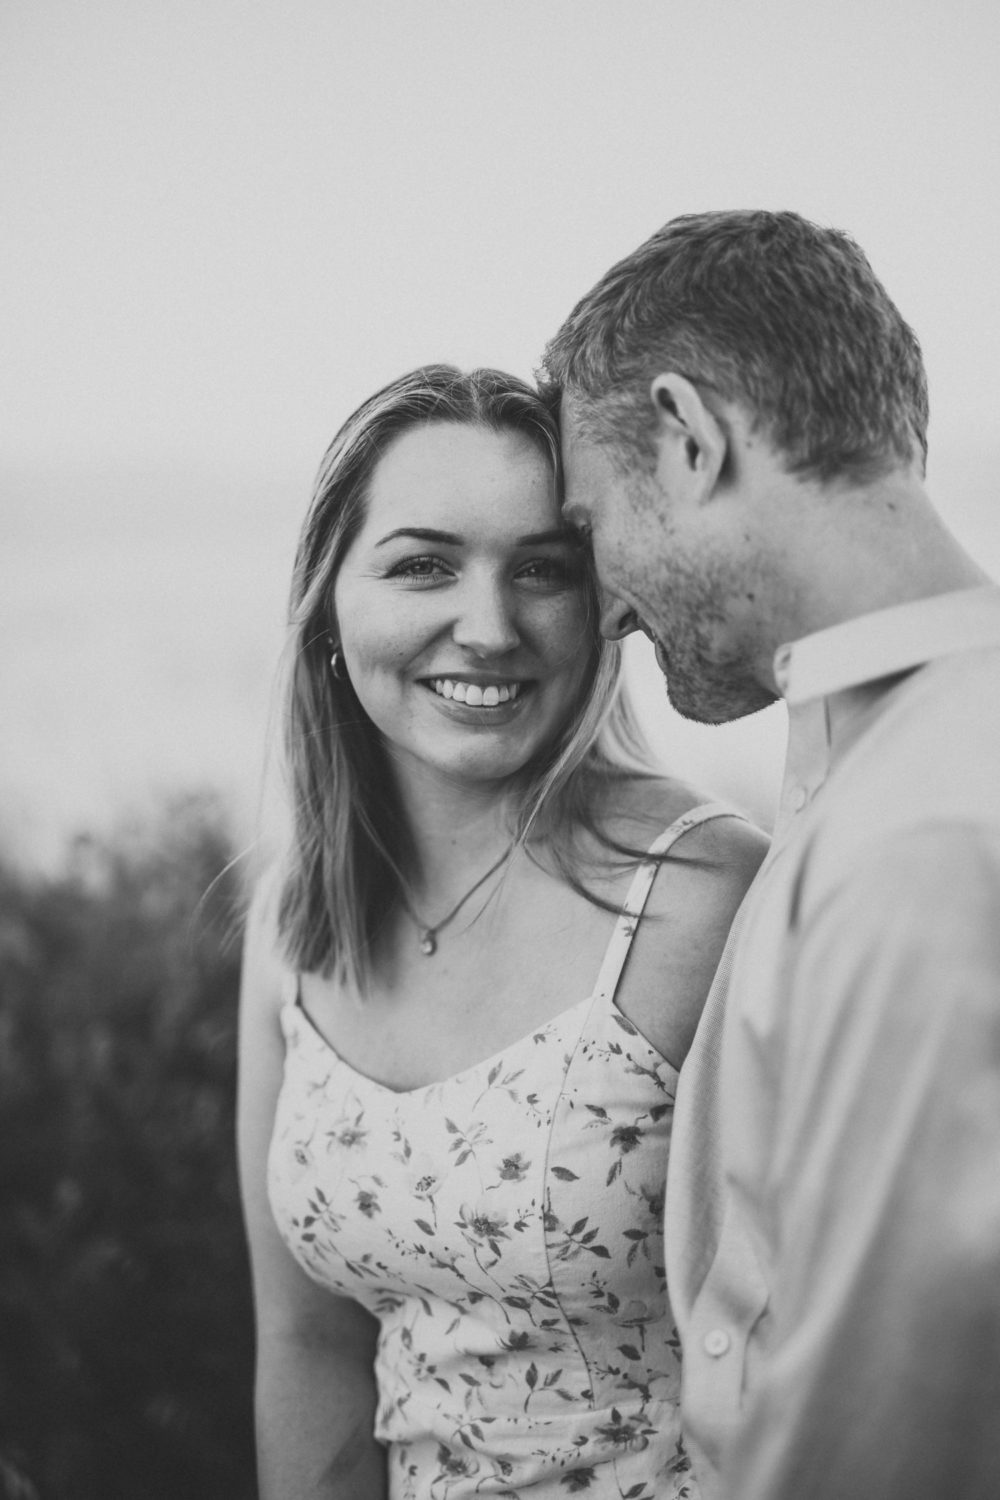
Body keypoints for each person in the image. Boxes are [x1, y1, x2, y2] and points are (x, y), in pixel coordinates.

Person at [237, 364, 766, 1499]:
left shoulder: (702, 897)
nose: (488, 627)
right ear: (330, 599)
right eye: (424, 564)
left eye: (543, 571)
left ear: (606, 604)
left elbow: (818, 1353)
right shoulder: (297, 917)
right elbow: (307, 1347)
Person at [540, 209, 1000, 1500]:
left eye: (588, 534)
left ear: (689, 439)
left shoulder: (932, 832)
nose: (608, 611)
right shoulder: (883, 763)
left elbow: (891, 1435)